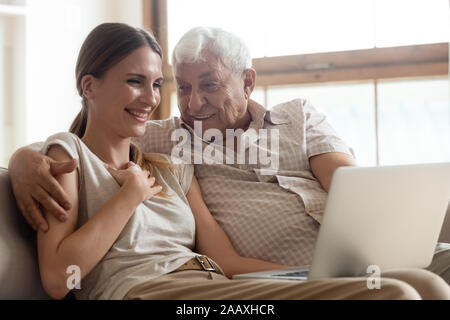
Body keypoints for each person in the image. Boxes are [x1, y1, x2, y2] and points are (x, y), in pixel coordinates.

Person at [8, 24, 450, 300]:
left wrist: (312, 278)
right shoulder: (79, 155)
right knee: (395, 296)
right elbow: (57, 278)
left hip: (221, 284)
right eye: (138, 82)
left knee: (428, 283)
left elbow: (222, 256)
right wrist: (27, 160)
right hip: (161, 293)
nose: (162, 100)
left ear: (247, 82)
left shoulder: (167, 160)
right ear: (89, 85)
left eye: (157, 84)